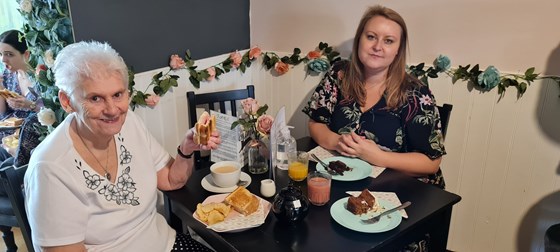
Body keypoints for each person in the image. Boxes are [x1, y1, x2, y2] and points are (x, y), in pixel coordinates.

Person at [24, 41, 221, 251]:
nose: (112, 110)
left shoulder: (130, 124)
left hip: (167, 245)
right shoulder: (49, 168)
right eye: (95, 98)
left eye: (118, 95)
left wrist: (186, 149)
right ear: (67, 101)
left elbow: (171, 180)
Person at [303, 5, 446, 189]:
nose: (377, 47)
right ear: (359, 40)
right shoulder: (339, 73)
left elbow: (431, 162)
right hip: (346, 181)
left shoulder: (416, 94)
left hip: (404, 191)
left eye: (388, 41)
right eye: (371, 37)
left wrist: (378, 157)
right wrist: (338, 142)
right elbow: (316, 123)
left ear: (398, 50)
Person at [0, 30, 42, 140]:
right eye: (0, 54)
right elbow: (2, 113)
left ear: (26, 54)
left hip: (29, 135)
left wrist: (30, 105)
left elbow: (52, 114)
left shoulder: (41, 77)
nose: (3, 60)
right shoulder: (7, 75)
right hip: (7, 135)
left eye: (9, 54)